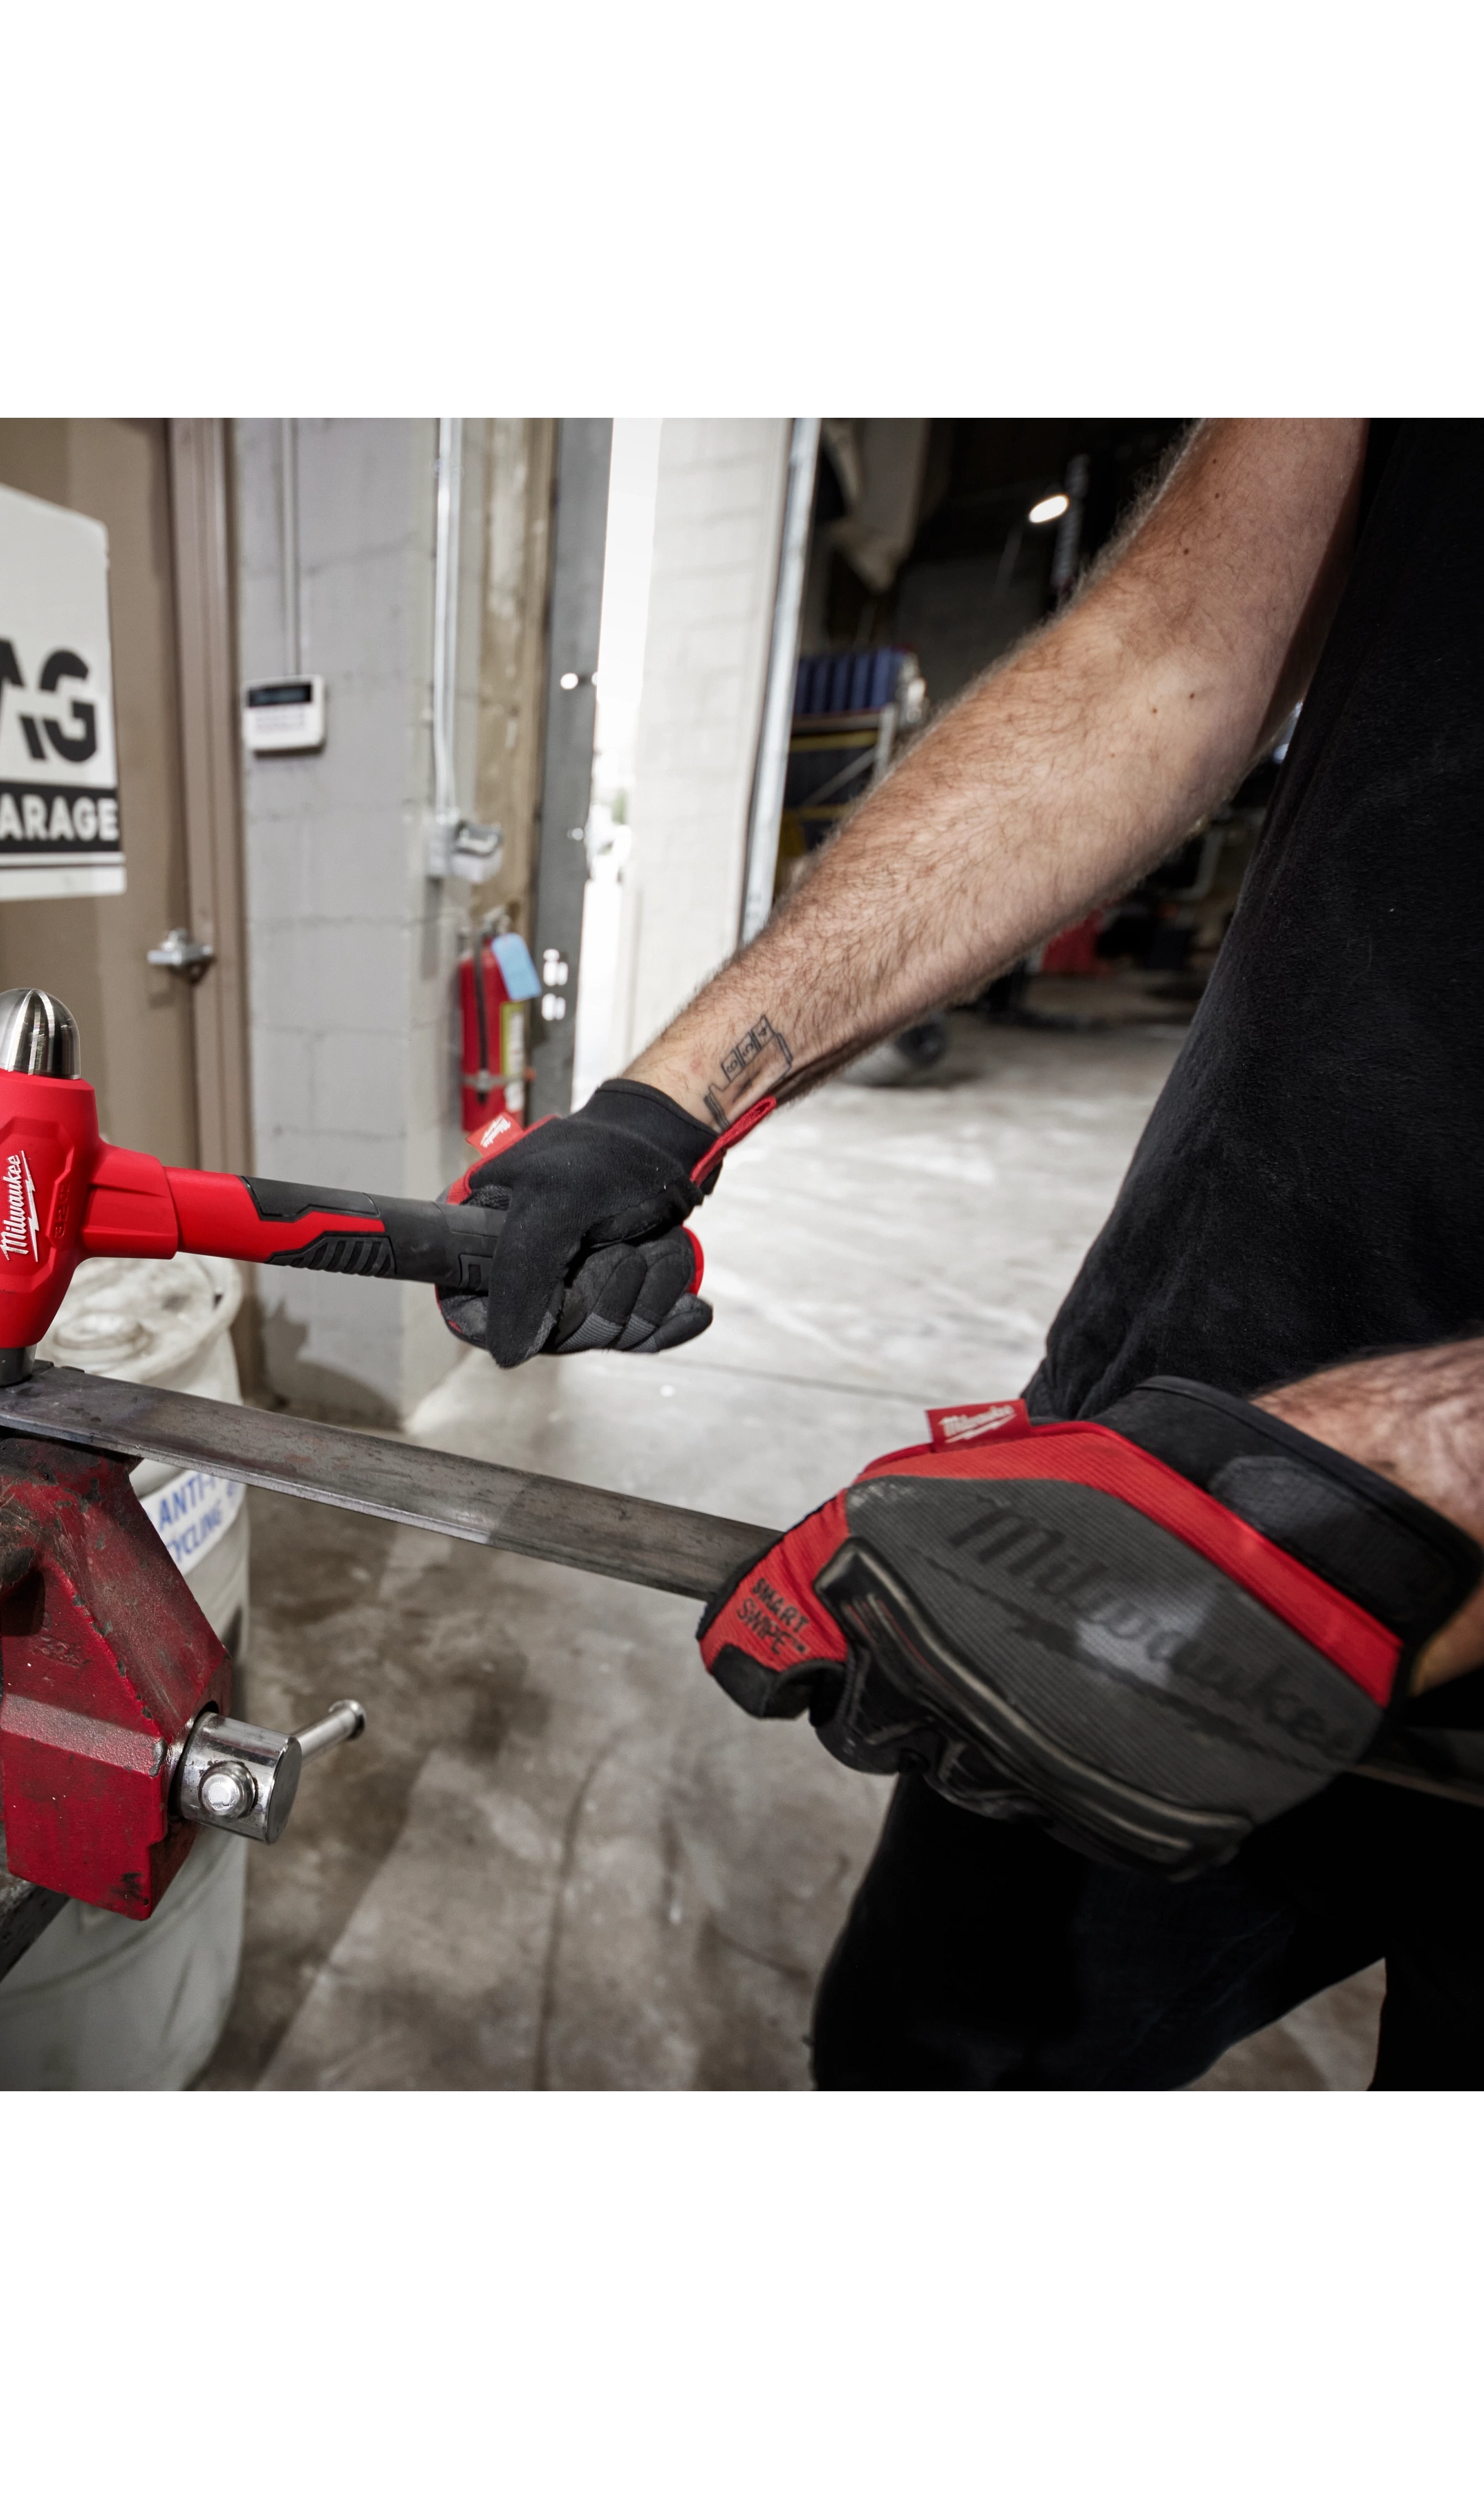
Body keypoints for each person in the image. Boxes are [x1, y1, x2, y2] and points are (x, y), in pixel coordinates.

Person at [447, 416, 1484, 2089]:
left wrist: (1436, 1455)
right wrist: (663, 1108)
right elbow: (1164, 656)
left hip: (1317, 1517)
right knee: (926, 2061)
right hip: (1178, 1458)